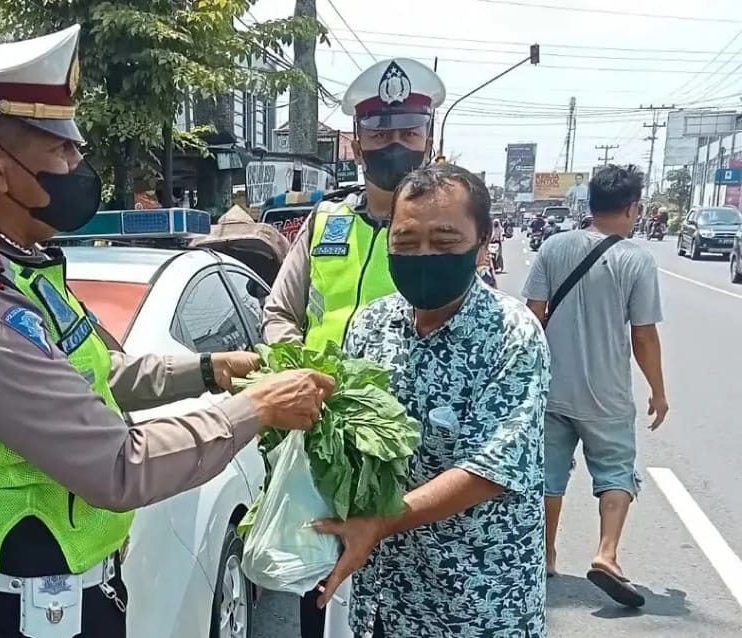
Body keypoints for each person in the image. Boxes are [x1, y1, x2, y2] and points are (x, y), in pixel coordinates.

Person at [0, 25, 334, 638]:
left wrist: (208, 370)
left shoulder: (20, 264)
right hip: (23, 612)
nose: (79, 167)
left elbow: (98, 375)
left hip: (68, 589)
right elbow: (118, 466)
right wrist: (254, 409)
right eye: (62, 151)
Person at [314, 164, 550, 637]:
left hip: (476, 601)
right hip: (384, 595)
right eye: (405, 243)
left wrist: (379, 523)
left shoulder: (514, 334)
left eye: (444, 243)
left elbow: (491, 469)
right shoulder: (370, 325)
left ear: (483, 241)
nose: (423, 257)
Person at [258, 56, 445, 638]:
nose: (395, 145)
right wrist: (302, 374)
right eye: (381, 133)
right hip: (326, 442)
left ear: (428, 141)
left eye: (408, 133)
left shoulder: (445, 235)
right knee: (318, 587)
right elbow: (279, 314)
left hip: (406, 447)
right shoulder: (324, 223)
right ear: (357, 144)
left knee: (403, 592)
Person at [523, 164, 668, 608]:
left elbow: (531, 315)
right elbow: (642, 335)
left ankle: (544, 554)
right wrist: (658, 392)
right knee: (615, 473)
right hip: (606, 395)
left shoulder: (553, 246)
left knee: (548, 476)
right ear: (632, 208)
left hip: (553, 387)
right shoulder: (636, 259)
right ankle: (606, 554)